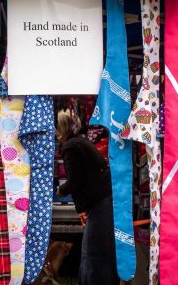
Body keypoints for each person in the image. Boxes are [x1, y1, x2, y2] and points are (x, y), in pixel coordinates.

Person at [55, 110, 118, 285]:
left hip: (99, 201)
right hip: (103, 198)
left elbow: (75, 180)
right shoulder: (80, 142)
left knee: (93, 251)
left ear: (62, 129)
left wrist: (60, 191)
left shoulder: (70, 147)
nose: (54, 132)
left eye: (56, 128)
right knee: (100, 249)